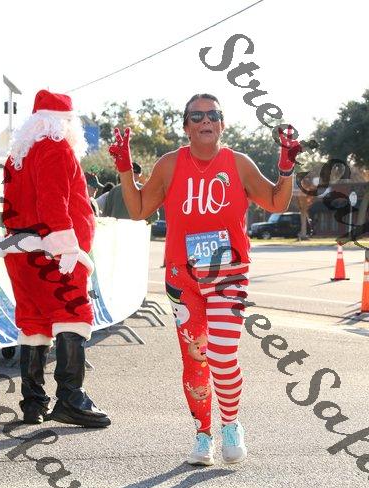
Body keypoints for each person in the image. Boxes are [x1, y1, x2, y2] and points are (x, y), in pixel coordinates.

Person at [109, 93, 301, 466]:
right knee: (195, 358)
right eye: (196, 116)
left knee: (222, 354)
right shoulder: (169, 165)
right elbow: (138, 209)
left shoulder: (239, 163)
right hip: (182, 275)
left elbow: (277, 203)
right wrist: (124, 169)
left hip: (228, 271)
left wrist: (286, 168)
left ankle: (231, 424)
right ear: (186, 127)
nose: (205, 121)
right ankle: (203, 434)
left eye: (213, 114)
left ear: (222, 124)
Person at [0, 89, 110, 428]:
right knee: (72, 314)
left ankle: (33, 403)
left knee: (34, 321)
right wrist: (67, 247)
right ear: (66, 122)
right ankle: (71, 399)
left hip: (21, 251)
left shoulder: (18, 155)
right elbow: (52, 201)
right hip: (54, 252)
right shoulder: (56, 148)